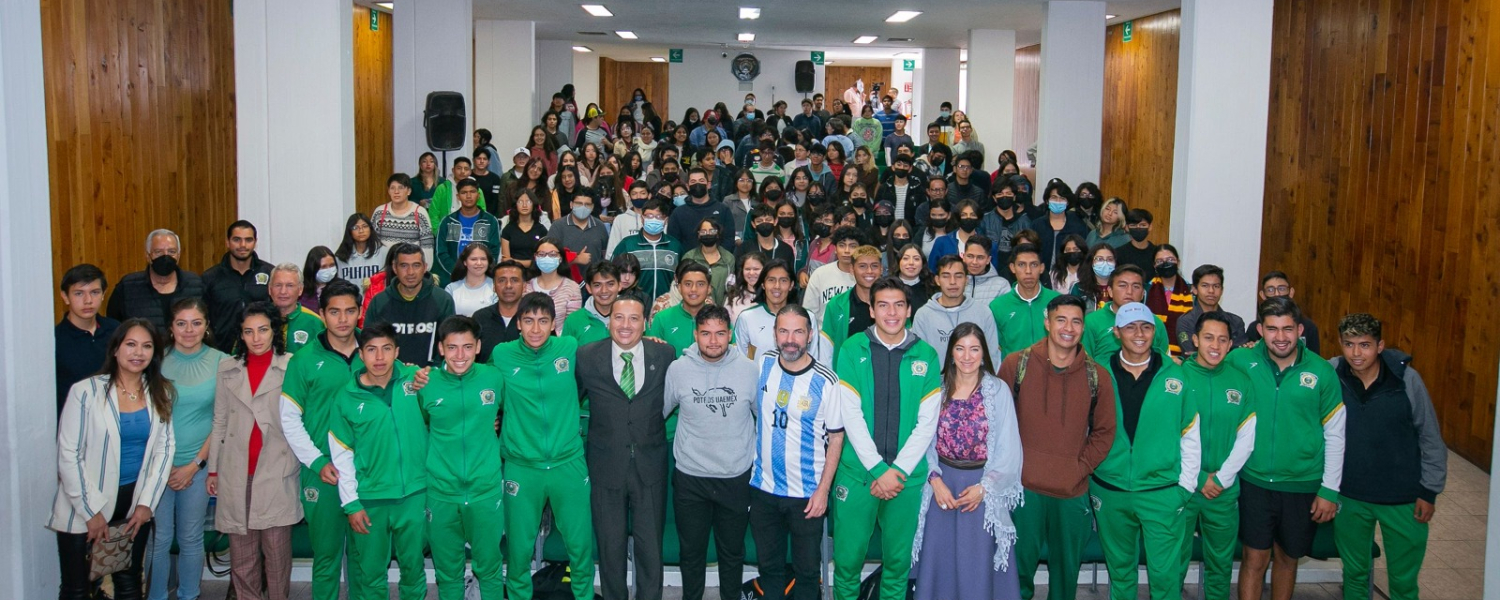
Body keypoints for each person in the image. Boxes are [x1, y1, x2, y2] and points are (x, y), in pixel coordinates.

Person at [830, 278, 942, 600]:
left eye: (898, 305)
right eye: (883, 305)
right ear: (871, 309)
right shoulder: (852, 349)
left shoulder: (927, 355)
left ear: (909, 310)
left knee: (897, 566)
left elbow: (927, 423)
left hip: (905, 479)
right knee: (848, 565)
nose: (891, 312)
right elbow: (851, 416)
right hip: (857, 475)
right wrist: (879, 470)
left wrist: (898, 471)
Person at [999, 295, 1117, 600]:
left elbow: (1104, 433)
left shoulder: (1097, 376)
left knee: (1065, 578)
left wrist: (1079, 469)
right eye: (1061, 319)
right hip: (1023, 491)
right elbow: (997, 423)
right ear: (1047, 322)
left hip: (1071, 493)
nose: (1069, 327)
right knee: (1016, 573)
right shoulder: (1016, 365)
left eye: (1077, 321)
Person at [1228, 297, 1344, 600]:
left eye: (1288, 329)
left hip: (1301, 483)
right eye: (1272, 329)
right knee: (1253, 559)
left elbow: (1336, 434)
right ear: (1260, 330)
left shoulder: (1322, 371)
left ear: (1300, 329)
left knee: (1288, 559)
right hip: (1253, 481)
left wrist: (1329, 490)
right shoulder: (1239, 362)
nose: (1281, 337)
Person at [51, 319, 175, 600]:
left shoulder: (160, 392)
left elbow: (165, 450)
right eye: (131, 344)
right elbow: (69, 453)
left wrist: (146, 504)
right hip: (82, 505)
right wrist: (90, 511)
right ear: (116, 349)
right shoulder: (86, 391)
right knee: (77, 589)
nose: (138, 352)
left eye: (147, 346)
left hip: (132, 505)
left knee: (129, 585)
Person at [1329, 313, 1446, 600]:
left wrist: (1429, 491)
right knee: (1354, 577)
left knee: (1403, 583)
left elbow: (1431, 438)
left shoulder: (1408, 380)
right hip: (1349, 495)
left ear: (1380, 346)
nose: (1356, 353)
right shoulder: (1331, 374)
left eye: (1365, 345)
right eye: (1349, 344)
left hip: (1403, 500)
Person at [1090, 302, 1199, 600]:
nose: (1139, 333)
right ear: (1116, 332)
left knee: (1165, 579)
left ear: (1155, 331)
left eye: (1146, 326)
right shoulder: (1096, 373)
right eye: (1130, 327)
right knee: (1121, 575)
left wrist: (1185, 487)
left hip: (1161, 491)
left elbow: (1191, 433)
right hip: (1110, 491)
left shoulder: (1176, 375)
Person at [490, 293, 596, 600]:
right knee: (519, 550)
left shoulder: (569, 348)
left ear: (554, 324)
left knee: (579, 546)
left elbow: (612, 350)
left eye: (543, 321)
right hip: (522, 467)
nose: (536, 328)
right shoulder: (502, 355)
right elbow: (474, 382)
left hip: (568, 463)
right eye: (528, 321)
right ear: (519, 324)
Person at [912, 323, 1024, 600]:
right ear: (950, 353)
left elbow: (1009, 447)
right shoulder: (935, 389)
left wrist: (984, 489)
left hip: (981, 490)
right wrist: (934, 480)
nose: (967, 356)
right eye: (960, 349)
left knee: (977, 568)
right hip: (942, 487)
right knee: (941, 564)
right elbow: (921, 439)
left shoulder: (998, 391)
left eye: (974, 349)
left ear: (984, 354)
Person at [573, 294, 674, 600]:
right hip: (605, 466)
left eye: (634, 318)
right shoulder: (587, 356)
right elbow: (568, 403)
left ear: (645, 322)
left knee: (650, 547)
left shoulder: (665, 353)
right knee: (609, 547)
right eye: (619, 317)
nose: (626, 325)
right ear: (609, 321)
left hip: (651, 464)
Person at [278, 280, 367, 600]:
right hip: (323, 472)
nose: (343, 319)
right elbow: (289, 419)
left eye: (349, 311)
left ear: (359, 313)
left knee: (363, 560)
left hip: (366, 474)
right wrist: (317, 461)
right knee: (327, 559)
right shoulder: (303, 360)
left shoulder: (374, 353)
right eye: (334, 312)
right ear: (322, 314)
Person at [750, 305, 846, 600]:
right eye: (783, 331)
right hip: (763, 489)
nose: (790, 339)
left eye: (798, 331)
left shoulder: (827, 381)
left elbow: (836, 438)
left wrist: (823, 491)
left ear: (810, 335)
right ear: (775, 334)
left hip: (807, 495)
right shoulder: (762, 363)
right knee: (769, 569)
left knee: (806, 573)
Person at [664, 304, 760, 600]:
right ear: (695, 335)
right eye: (706, 334)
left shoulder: (749, 370)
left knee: (732, 554)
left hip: (735, 477)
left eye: (720, 333)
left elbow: (762, 419)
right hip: (691, 478)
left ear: (730, 334)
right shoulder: (678, 369)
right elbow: (660, 412)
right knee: (691, 554)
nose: (713, 341)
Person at [207, 302, 301, 600]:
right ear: (241, 334)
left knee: (276, 558)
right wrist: (213, 468)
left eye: (263, 330)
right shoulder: (227, 368)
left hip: (276, 470)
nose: (256, 338)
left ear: (275, 330)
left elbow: (301, 421)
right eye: (248, 331)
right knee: (242, 559)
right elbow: (219, 421)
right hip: (236, 471)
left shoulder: (291, 366)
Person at [329, 324, 429, 600]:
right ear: (361, 355)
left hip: (415, 494)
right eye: (371, 350)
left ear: (397, 352)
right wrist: (351, 503)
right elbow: (342, 456)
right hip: (370, 499)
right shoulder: (346, 398)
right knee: (371, 576)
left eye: (386, 349)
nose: (379, 357)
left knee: (413, 570)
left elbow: (447, 410)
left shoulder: (417, 379)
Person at [416, 316, 506, 600]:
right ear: (441, 348)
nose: (460, 355)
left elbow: (519, 413)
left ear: (478, 346)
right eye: (452, 347)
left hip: (485, 489)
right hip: (442, 492)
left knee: (490, 569)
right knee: (448, 572)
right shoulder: (424, 383)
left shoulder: (494, 377)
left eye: (467, 347)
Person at [1177, 311, 1257, 600]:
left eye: (1223, 339)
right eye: (1208, 338)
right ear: (1195, 339)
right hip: (1183, 488)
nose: (1215, 345)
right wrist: (1198, 478)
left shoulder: (1241, 381)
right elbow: (1167, 437)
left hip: (1223, 491)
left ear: (1231, 343)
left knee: (1220, 567)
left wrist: (1220, 479)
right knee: (1173, 565)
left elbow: (1247, 438)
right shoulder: (1177, 377)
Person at [144, 299, 219, 600]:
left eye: (196, 323)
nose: (189, 330)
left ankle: (190, 594)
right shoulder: (154, 360)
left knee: (190, 538)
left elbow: (222, 420)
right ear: (171, 328)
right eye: (182, 323)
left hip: (197, 466)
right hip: (157, 466)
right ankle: (156, 596)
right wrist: (161, 466)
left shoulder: (222, 361)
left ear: (207, 326)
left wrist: (195, 465)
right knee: (158, 540)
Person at [364, 243, 457, 367]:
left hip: (431, 376)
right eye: (404, 266)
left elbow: (451, 343)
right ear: (394, 268)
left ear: (425, 267)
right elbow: (369, 344)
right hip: (391, 377)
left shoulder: (443, 300)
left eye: (416, 265)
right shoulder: (379, 302)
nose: (410, 272)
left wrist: (434, 370)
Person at [57, 264, 122, 415]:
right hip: (74, 423)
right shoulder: (54, 340)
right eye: (79, 293)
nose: (88, 300)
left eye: (94, 292)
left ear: (103, 294)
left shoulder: (117, 330)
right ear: (65, 297)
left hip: (114, 418)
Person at [913, 255, 1002, 363]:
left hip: (976, 379)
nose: (952, 282)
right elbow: (921, 359)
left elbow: (992, 355)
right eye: (946, 276)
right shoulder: (923, 315)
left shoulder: (983, 312)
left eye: (958, 276)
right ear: (937, 280)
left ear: (966, 279)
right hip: (936, 379)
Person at [201, 220, 274, 353]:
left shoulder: (270, 273)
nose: (242, 245)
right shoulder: (210, 278)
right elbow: (203, 318)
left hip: (262, 351)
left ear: (255, 242)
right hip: (221, 353)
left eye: (248, 240)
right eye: (237, 240)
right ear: (227, 242)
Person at [1082, 266, 1170, 359]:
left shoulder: (1154, 322)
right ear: (1110, 291)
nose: (1129, 292)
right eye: (1122, 286)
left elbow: (1164, 363)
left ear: (1142, 294)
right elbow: (1084, 363)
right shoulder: (1091, 322)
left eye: (1136, 286)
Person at [989, 245, 1059, 358]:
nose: (1028, 271)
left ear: (1041, 268)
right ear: (1012, 268)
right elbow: (995, 347)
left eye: (1034, 265)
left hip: (1052, 373)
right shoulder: (997, 306)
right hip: (1013, 373)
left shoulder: (1058, 302)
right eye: (1021, 265)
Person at [819, 245, 884, 362]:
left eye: (874, 266)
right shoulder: (836, 305)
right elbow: (826, 349)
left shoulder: (894, 304)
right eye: (862, 266)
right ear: (852, 270)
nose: (869, 271)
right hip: (846, 376)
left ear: (882, 269)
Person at [433, 178, 501, 287]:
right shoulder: (448, 221)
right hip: (453, 279)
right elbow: (441, 252)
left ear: (478, 195)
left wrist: (481, 272)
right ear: (458, 196)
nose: (468, 196)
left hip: (483, 279)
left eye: (472, 192)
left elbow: (494, 251)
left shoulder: (490, 221)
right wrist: (457, 271)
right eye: (464, 193)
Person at [613, 199, 684, 301]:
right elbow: (613, 274)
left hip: (667, 306)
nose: (654, 219)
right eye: (649, 216)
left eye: (658, 216)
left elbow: (682, 277)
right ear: (642, 218)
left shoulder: (675, 246)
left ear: (666, 220)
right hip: (633, 305)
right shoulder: (627, 244)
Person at [1244, 271, 1322, 353]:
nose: (1277, 294)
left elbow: (1314, 359)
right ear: (1262, 295)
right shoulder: (1254, 328)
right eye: (1270, 290)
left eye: (1282, 289)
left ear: (1291, 292)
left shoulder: (1309, 327)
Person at [1176, 264, 1248, 354]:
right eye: (1205, 286)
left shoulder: (1236, 322)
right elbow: (1191, 355)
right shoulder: (1186, 321)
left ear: (1222, 290)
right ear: (1194, 289)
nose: (1211, 291)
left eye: (1216, 286)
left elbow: (1239, 356)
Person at [646, 261, 715, 353]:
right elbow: (652, 354)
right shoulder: (662, 318)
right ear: (679, 287)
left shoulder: (719, 318)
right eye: (688, 284)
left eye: (700, 284)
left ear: (709, 288)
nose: (693, 289)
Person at [371, 174, 437, 267]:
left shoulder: (420, 213)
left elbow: (427, 247)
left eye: (401, 188)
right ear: (388, 191)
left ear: (409, 191)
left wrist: (425, 270)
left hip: (411, 271)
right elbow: (373, 245)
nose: (396, 192)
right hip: (384, 271)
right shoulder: (379, 213)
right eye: (392, 188)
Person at [803, 226, 866, 324]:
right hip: (824, 335)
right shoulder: (820, 274)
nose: (847, 250)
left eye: (852, 246)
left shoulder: (866, 277)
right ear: (835, 249)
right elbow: (808, 313)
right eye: (842, 245)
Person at [524, 238, 583, 333]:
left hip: (560, 343)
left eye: (552, 255)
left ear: (560, 258)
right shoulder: (525, 287)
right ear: (535, 257)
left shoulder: (572, 287)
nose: (547, 258)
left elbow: (572, 325)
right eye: (542, 254)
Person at [473, 260, 526, 362]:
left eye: (515, 280)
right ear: (494, 286)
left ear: (524, 286)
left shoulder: (534, 319)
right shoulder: (480, 317)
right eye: (502, 280)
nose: (508, 285)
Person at [1143, 244, 1191, 355]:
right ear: (1154, 265)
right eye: (1160, 261)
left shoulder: (1190, 291)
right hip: (1151, 353)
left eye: (1170, 259)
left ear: (1178, 262)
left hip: (1183, 356)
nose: (1165, 264)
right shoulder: (1146, 290)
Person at [268, 263, 326, 354]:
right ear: (269, 289)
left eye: (290, 285)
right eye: (278, 285)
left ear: (300, 290)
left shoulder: (315, 322)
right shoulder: (258, 319)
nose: (283, 291)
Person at [552, 188, 608, 281]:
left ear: (592, 207)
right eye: (578, 203)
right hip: (565, 282)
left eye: (587, 204)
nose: (583, 207)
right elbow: (550, 258)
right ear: (571, 204)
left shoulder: (600, 226)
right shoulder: (558, 226)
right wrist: (576, 259)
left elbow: (605, 255)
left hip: (594, 282)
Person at [562, 261, 621, 346]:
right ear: (589, 288)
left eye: (610, 284)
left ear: (619, 285)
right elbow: (565, 356)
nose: (604, 290)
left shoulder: (633, 316)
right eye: (597, 285)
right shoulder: (574, 320)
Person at [335, 213, 389, 295]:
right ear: (349, 231)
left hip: (375, 301)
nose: (361, 231)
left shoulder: (383, 252)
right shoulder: (341, 256)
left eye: (365, 226)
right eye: (355, 227)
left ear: (370, 229)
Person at [444, 243, 499, 317]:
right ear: (465, 262)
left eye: (483, 259)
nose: (479, 263)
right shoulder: (451, 289)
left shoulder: (497, 287)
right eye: (474, 259)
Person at [961, 235, 1011, 302]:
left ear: (988, 259)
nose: (974, 262)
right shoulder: (954, 282)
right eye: (970, 256)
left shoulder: (1001, 285)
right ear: (963, 257)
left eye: (980, 257)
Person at [1113, 208, 1158, 280]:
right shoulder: (1118, 253)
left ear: (1150, 227)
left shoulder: (1157, 253)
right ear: (1127, 227)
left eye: (1143, 225)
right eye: (1133, 225)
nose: (1138, 228)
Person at [724, 251, 766, 323]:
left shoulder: (770, 296)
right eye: (747, 269)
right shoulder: (733, 295)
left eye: (756, 269)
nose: (751, 273)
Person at [299, 246, 337, 311]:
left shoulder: (342, 288)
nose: (328, 270)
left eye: (331, 265)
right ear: (312, 268)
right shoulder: (301, 293)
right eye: (323, 267)